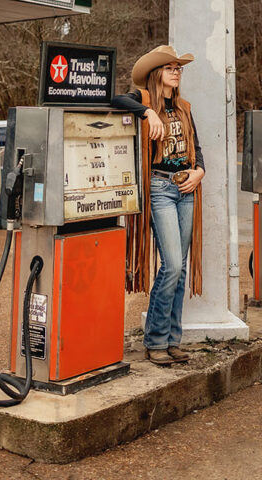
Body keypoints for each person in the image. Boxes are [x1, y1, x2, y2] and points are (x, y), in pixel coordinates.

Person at [112, 44, 204, 366]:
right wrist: (147, 112)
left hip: (186, 187)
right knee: (173, 265)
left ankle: (171, 339)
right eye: (170, 67)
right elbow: (114, 98)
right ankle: (154, 340)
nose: (177, 71)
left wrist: (199, 172)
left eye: (179, 67)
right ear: (156, 74)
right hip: (161, 188)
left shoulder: (184, 108)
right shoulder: (144, 100)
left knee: (179, 271)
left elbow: (198, 148)